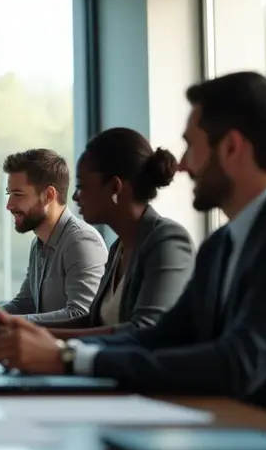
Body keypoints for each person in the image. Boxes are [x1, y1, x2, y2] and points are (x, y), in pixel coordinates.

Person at [0, 72, 266, 415]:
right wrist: (65, 354)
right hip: (227, 433)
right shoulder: (221, 244)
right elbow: (161, 336)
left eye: (191, 145)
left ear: (231, 147)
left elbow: (238, 362)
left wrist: (69, 358)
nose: (183, 164)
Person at [46, 128, 194, 339]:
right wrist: (26, 331)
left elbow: (145, 330)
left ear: (115, 187)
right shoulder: (119, 248)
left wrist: (40, 337)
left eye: (81, 186)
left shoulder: (168, 241)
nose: (76, 197)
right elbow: (92, 323)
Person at [0, 149, 107, 337]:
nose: (9, 205)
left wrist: (0, 325)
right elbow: (24, 304)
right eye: (9, 194)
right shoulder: (39, 243)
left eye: (18, 194)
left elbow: (80, 314)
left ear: (48, 195)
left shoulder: (80, 241)